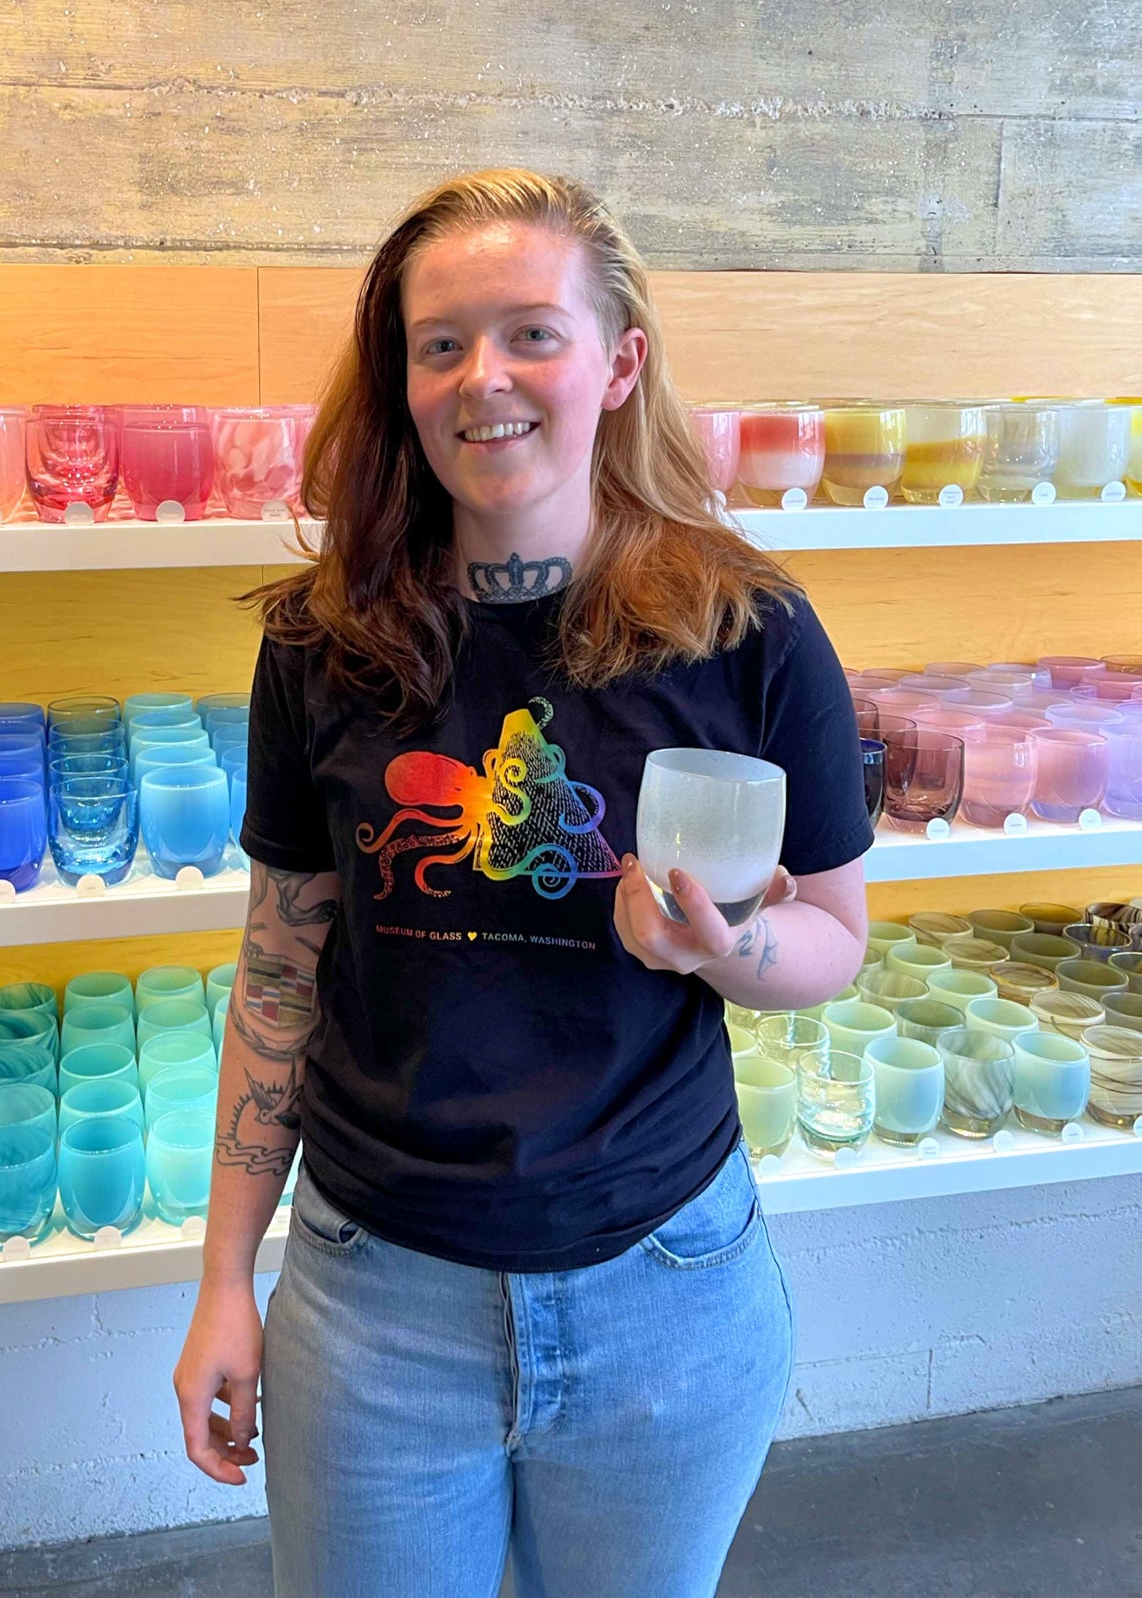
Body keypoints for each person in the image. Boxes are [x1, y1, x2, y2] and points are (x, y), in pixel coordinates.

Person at [173, 168, 872, 1598]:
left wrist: (723, 950)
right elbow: (280, 967)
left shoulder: (749, 628)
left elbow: (834, 939)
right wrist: (222, 1278)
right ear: (404, 380)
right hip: (374, 1305)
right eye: (440, 345)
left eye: (531, 333)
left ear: (618, 363)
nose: (482, 377)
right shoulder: (323, 643)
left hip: (667, 1293)